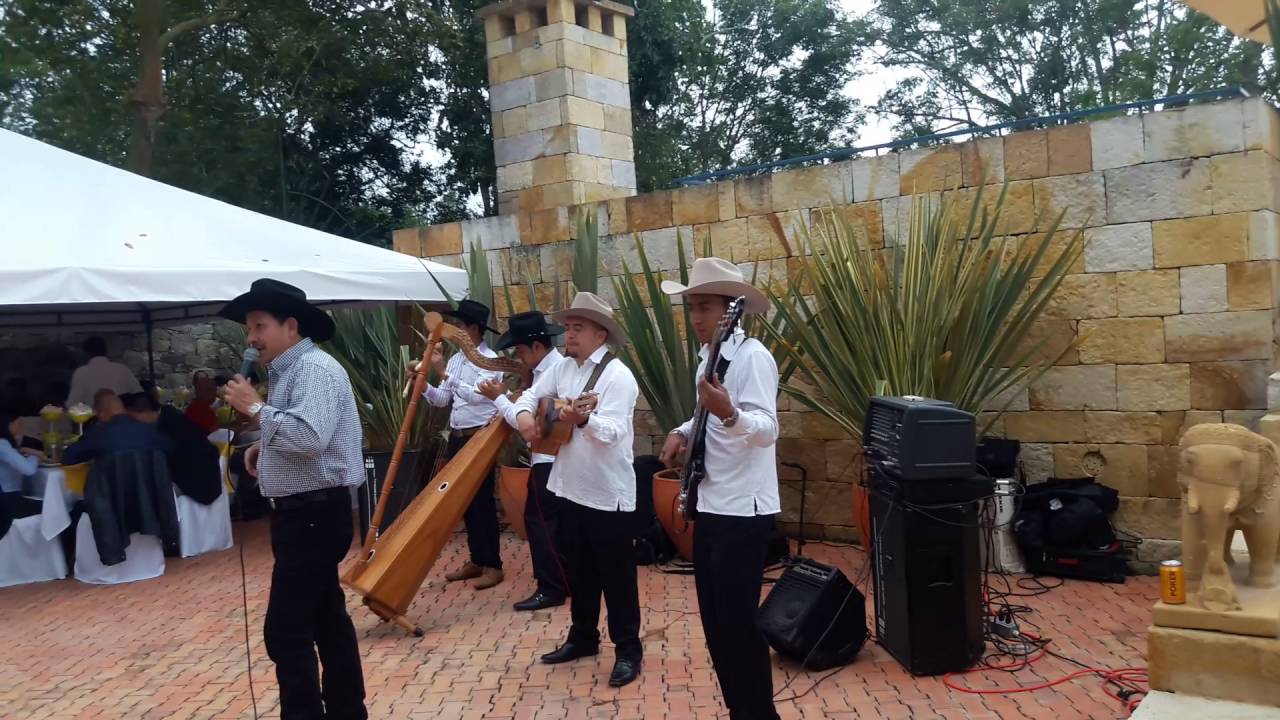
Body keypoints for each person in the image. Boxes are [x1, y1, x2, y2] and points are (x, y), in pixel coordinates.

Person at [218, 278, 367, 720]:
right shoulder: (289, 372)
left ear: (291, 326)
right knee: (327, 621)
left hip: (314, 515)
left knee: (285, 631)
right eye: (249, 328)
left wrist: (255, 409)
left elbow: (308, 438)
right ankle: (347, 711)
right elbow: (302, 432)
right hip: (304, 515)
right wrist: (263, 448)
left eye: (259, 325)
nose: (251, 338)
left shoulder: (315, 370)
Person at [659, 258, 781, 720]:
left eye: (704, 308)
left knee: (737, 624)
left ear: (732, 309)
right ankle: (739, 710)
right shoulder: (710, 358)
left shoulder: (753, 358)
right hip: (710, 503)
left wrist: (731, 414)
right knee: (715, 623)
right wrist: (683, 429)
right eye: (691, 308)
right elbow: (704, 413)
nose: (695, 319)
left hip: (742, 511)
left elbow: (767, 428)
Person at [510, 292, 643, 688]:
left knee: (617, 580)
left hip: (608, 495)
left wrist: (584, 421)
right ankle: (583, 638)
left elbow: (615, 432)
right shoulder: (564, 369)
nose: (569, 334)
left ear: (601, 334)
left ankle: (628, 650)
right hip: (570, 488)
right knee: (581, 575)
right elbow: (533, 394)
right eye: (567, 327)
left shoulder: (618, 377)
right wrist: (522, 414)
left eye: (578, 328)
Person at [477, 311, 569, 611]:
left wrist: (499, 399)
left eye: (520, 350)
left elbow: (531, 427)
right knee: (547, 523)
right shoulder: (545, 371)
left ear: (536, 348)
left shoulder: (554, 372)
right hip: (546, 460)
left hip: (549, 459)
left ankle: (551, 587)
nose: (518, 356)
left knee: (541, 523)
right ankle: (559, 581)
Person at [421, 299, 505, 590]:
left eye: (459, 326)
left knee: (481, 502)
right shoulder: (457, 360)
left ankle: (493, 565)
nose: (455, 330)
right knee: (464, 502)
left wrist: (443, 373)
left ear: (472, 329)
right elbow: (444, 399)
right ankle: (477, 559)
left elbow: (479, 397)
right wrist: (425, 387)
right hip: (457, 437)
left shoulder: (491, 361)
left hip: (478, 438)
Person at [124, 392, 222, 504]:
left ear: (144, 412)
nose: (132, 423)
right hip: (205, 476)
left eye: (132, 418)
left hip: (198, 483)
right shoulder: (170, 416)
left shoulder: (166, 428)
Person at [62, 390, 173, 465]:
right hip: (148, 495)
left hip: (108, 497)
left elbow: (69, 457)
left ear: (101, 414)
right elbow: (169, 449)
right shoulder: (148, 429)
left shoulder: (99, 433)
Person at [65, 337, 142, 408]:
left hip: (94, 420)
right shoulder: (123, 369)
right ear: (106, 352)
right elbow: (139, 395)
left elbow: (72, 403)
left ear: (86, 353)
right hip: (124, 418)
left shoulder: (81, 372)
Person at [0, 411, 45, 518]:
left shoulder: (4, 445)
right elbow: (29, 470)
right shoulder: (2, 445)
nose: (22, 426)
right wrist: (35, 456)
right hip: (8, 501)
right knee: (56, 508)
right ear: (9, 425)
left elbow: (13, 456)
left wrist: (22, 449)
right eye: (19, 423)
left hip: (8, 499)